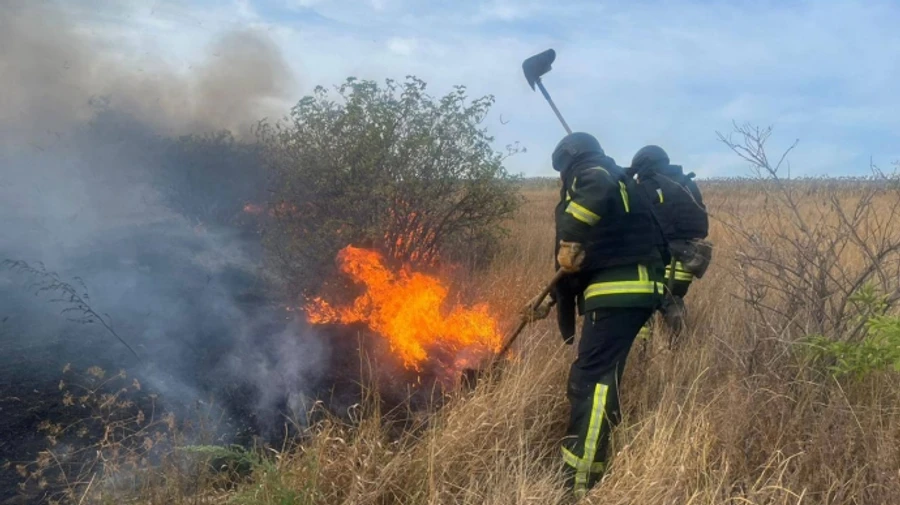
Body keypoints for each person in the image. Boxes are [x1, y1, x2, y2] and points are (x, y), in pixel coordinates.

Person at [525, 132, 668, 499]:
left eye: (562, 168)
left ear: (571, 158)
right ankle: (594, 453)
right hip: (635, 288)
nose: (562, 177)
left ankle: (579, 478)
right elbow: (586, 259)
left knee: (591, 381)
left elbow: (592, 191)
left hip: (619, 292)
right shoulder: (617, 179)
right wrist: (553, 300)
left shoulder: (593, 170)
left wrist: (571, 237)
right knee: (604, 375)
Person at [627, 145, 710, 344]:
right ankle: (677, 347)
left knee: (645, 307)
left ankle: (641, 354)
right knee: (673, 302)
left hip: (664, 261)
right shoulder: (686, 184)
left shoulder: (650, 185)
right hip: (689, 260)